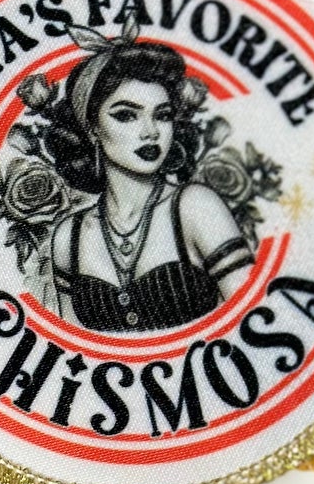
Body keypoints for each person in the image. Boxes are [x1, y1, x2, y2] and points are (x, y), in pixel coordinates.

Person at [43, 27, 255, 333]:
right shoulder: (69, 237)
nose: (151, 132)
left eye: (162, 115)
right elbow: (71, 348)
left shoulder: (195, 207)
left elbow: (253, 319)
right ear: (92, 129)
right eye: (126, 115)